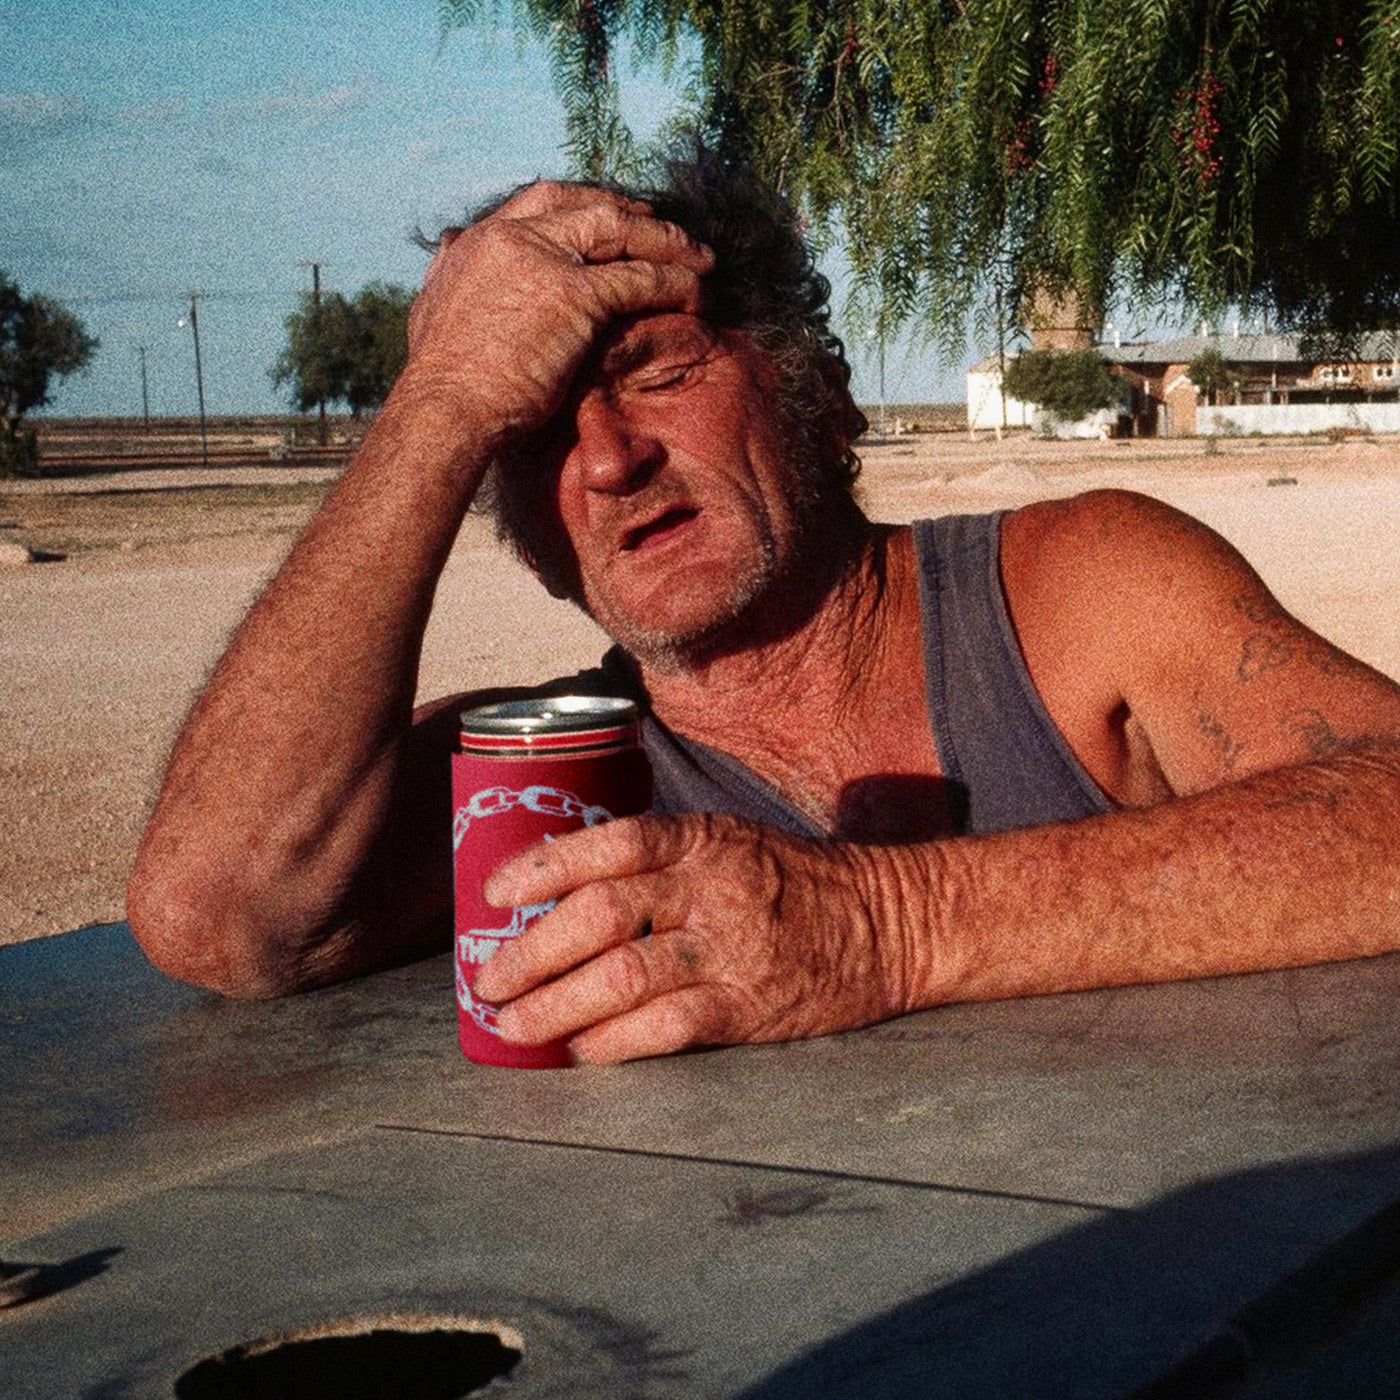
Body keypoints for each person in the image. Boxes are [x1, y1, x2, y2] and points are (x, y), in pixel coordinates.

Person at [126, 150, 1400, 1065]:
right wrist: (443, 404)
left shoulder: (1074, 588)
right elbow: (216, 914)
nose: (609, 459)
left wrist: (879, 926)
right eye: (530, 441)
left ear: (817, 397)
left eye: (660, 374)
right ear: (524, 539)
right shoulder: (533, 783)